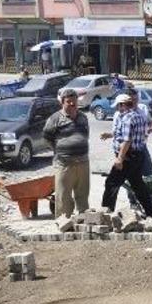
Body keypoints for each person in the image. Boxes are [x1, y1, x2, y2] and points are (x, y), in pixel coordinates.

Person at [100, 94, 152, 217]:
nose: (117, 109)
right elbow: (127, 135)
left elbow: (127, 140)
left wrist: (120, 158)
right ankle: (150, 212)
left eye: (118, 106)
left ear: (123, 105)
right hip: (137, 155)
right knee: (137, 184)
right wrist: (110, 135)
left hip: (127, 156)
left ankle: (105, 214)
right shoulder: (138, 116)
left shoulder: (128, 118)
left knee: (112, 183)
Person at [43, 88, 90, 218]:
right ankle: (64, 222)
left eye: (74, 101)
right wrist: (60, 150)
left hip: (83, 163)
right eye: (68, 101)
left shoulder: (83, 117)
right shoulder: (55, 118)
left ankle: (84, 220)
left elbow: (86, 136)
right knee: (63, 196)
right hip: (64, 164)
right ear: (62, 103)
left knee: (83, 194)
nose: (71, 104)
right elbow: (47, 137)